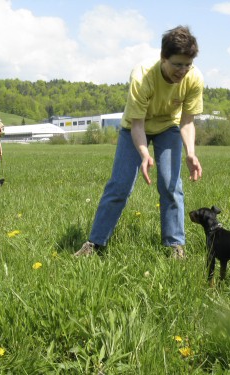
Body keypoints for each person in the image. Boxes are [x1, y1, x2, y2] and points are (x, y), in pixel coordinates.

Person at [75, 25, 204, 258]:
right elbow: (137, 125)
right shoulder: (142, 75)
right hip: (135, 128)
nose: (182, 70)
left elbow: (187, 122)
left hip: (169, 127)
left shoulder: (194, 78)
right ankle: (94, 244)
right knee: (120, 186)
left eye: (187, 64)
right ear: (163, 57)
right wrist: (144, 154)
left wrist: (191, 153)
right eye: (177, 64)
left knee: (171, 185)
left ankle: (175, 245)